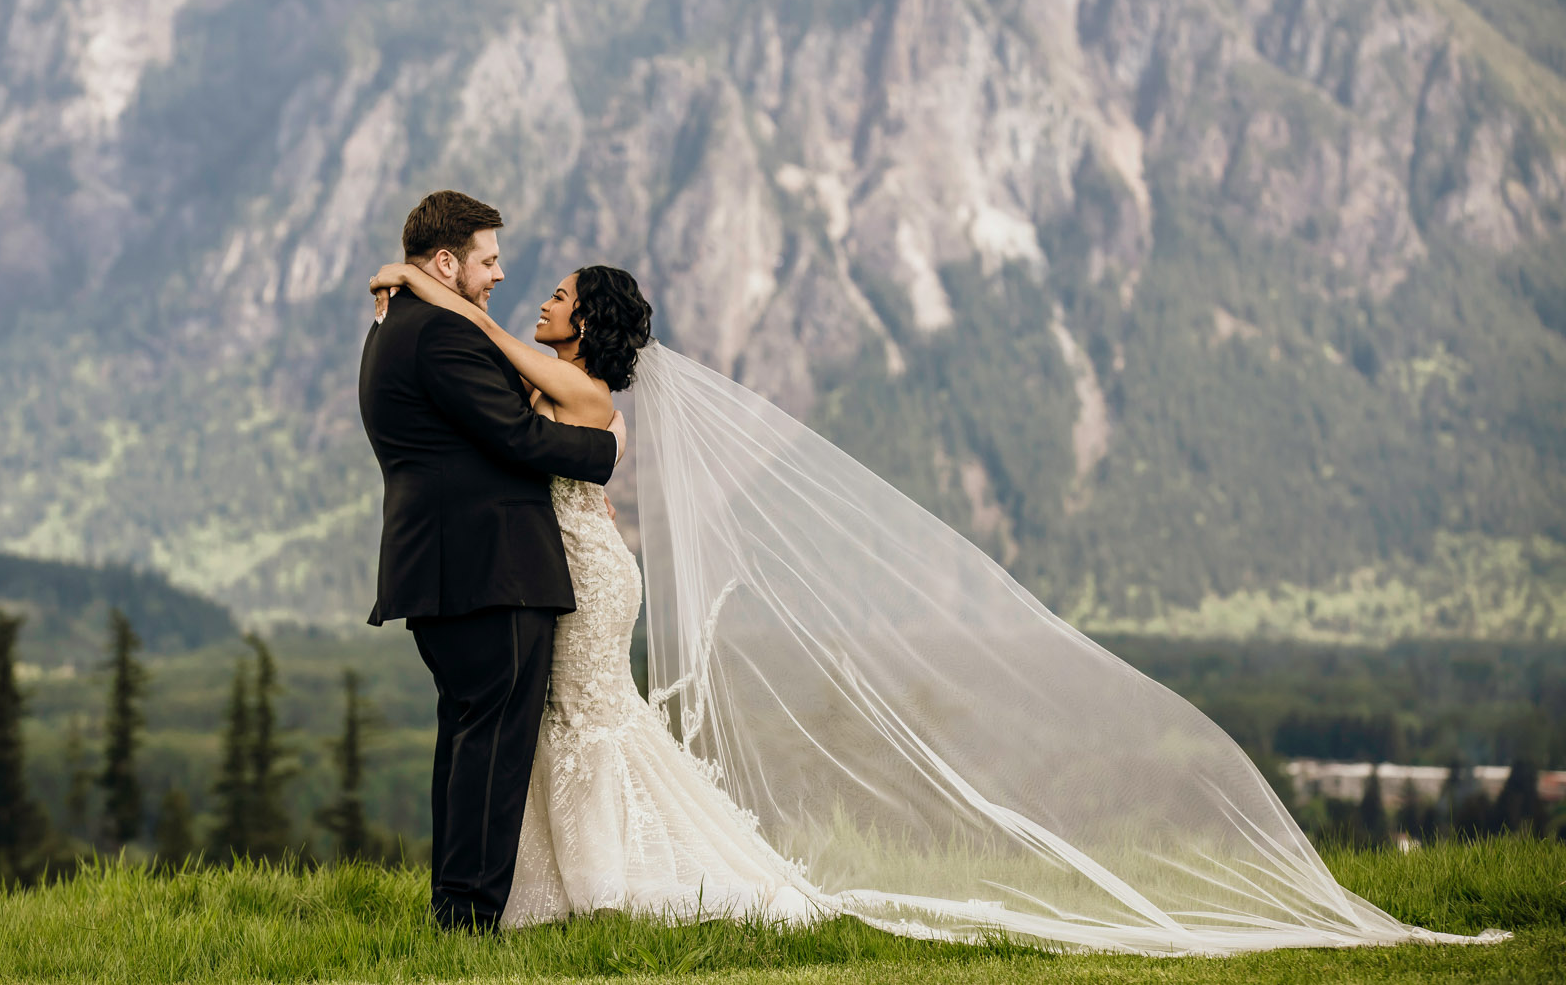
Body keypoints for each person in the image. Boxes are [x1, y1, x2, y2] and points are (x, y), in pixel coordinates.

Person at [370, 248, 1509, 954]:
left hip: (581, 569)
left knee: (587, 723)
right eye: (536, 287)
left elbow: (505, 377)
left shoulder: (585, 385)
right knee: (575, 724)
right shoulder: (560, 368)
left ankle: (596, 886)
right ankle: (549, 888)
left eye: (559, 292)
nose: (538, 299)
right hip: (565, 560)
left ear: (590, 325)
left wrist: (427, 293)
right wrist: (424, 297)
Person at [357, 190, 622, 932]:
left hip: (456, 568)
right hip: (487, 568)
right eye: (488, 259)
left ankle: (457, 906)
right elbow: (519, 438)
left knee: (472, 737)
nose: (500, 274)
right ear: (446, 261)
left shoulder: (401, 322)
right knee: (495, 745)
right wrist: (605, 452)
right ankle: (468, 915)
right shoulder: (437, 334)